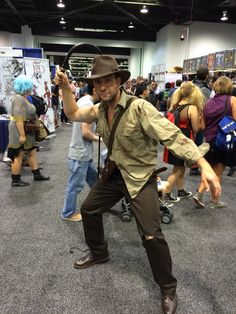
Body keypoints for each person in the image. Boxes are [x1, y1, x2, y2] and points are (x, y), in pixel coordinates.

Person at [55, 55, 221, 314]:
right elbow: (73, 112)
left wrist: (204, 164)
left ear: (118, 82)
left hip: (141, 179)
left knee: (151, 234)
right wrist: (65, 87)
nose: (102, 87)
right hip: (115, 174)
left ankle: (167, 287)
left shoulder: (139, 107)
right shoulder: (99, 109)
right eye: (97, 83)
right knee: (88, 209)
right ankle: (99, 253)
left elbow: (172, 135)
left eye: (107, 80)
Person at [193, 76, 236, 209]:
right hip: (224, 140)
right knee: (218, 171)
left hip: (210, 141)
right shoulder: (232, 100)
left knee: (210, 169)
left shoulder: (208, 103)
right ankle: (212, 199)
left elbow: (203, 126)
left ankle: (203, 195)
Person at [61, 85, 99, 222]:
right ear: (94, 89)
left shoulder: (83, 100)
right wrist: (101, 139)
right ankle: (67, 213)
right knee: (75, 186)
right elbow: (86, 133)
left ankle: (100, 203)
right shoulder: (88, 104)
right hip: (80, 154)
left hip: (83, 153)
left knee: (95, 180)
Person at [163, 81, 205, 202]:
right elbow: (196, 128)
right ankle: (165, 194)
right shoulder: (192, 108)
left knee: (179, 166)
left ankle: (180, 191)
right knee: (179, 168)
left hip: (174, 138)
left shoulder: (175, 105)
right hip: (184, 139)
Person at [7, 75, 50, 187]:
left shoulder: (22, 97)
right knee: (19, 155)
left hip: (26, 128)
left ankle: (37, 174)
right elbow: (18, 119)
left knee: (31, 152)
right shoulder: (19, 98)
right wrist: (22, 135)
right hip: (20, 129)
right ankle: (15, 179)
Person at [190, 66, 211, 176]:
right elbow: (206, 106)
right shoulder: (204, 89)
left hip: (188, 116)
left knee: (191, 141)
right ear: (206, 76)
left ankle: (190, 164)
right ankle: (193, 167)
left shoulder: (190, 86)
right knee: (198, 143)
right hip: (198, 117)